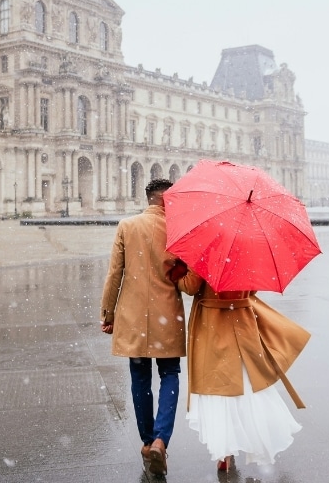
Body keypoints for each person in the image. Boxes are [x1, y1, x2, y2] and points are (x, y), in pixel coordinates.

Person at [100, 179, 199, 476]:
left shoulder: (127, 226)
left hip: (132, 317)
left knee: (140, 378)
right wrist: (180, 272)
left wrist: (108, 313)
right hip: (167, 315)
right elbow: (191, 287)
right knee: (170, 374)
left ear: (148, 199)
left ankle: (146, 442)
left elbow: (114, 274)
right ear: (168, 201)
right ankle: (160, 440)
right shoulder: (180, 233)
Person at [172, 266, 310, 472]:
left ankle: (225, 450)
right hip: (242, 322)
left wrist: (177, 277)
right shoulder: (247, 252)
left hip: (213, 324)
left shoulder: (208, 252)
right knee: (247, 384)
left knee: (219, 387)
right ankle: (253, 437)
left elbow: (191, 286)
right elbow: (253, 290)